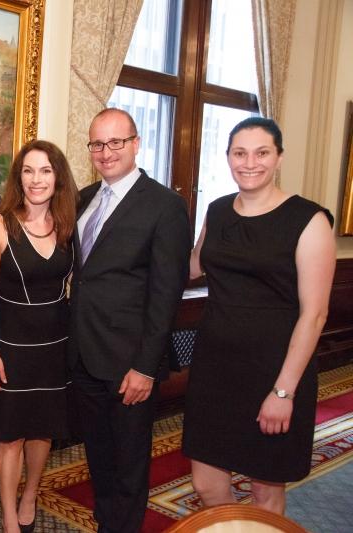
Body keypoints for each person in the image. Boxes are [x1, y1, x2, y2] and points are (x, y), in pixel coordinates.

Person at [182, 117, 336, 514]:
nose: (249, 162)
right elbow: (194, 266)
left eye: (262, 152)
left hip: (274, 370)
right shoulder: (216, 211)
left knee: (265, 492)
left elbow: (315, 315)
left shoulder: (309, 219)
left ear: (279, 158)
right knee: (206, 482)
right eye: (240, 153)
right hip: (215, 367)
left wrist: (283, 392)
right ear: (228, 158)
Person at [67, 108, 191, 533]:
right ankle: (107, 523)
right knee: (98, 456)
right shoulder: (82, 199)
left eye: (116, 142)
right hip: (83, 356)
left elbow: (165, 296)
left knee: (129, 462)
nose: (106, 152)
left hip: (129, 364)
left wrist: (144, 366)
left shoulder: (165, 206)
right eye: (97, 144)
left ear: (136, 144)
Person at [0, 139, 78, 533]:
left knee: (44, 429)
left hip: (56, 346)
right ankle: (8, 518)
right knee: (10, 436)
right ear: (19, 178)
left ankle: (31, 493)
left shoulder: (69, 225)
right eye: (29, 171)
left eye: (46, 171)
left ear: (58, 178)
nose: (37, 180)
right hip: (11, 347)